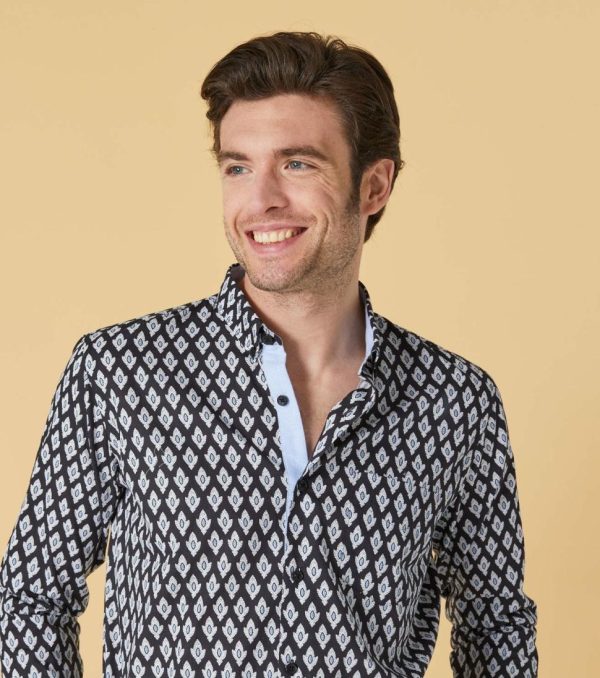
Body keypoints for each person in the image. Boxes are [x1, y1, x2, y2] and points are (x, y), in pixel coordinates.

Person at [0, 31, 538, 677]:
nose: (260, 201)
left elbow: (494, 623)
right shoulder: (121, 372)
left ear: (373, 186)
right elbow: (32, 597)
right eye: (238, 167)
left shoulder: (454, 401)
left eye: (298, 164)